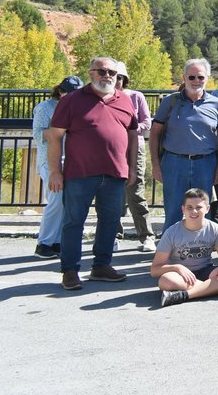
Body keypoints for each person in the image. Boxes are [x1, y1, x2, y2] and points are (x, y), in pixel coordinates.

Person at [46, 56, 138, 290]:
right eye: (101, 71)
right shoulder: (72, 100)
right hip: (79, 173)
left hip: (115, 174)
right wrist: (55, 171)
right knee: (73, 222)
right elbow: (55, 136)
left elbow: (132, 136)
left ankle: (101, 266)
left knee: (110, 221)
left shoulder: (125, 101)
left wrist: (132, 168)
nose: (106, 75)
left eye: (112, 73)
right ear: (90, 73)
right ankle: (70, 270)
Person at [150, 59, 218, 232]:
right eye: (191, 77)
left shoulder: (216, 104)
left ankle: (200, 250)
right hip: (174, 163)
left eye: (200, 77)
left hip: (205, 164)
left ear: (207, 78)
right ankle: (169, 250)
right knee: (173, 210)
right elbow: (154, 133)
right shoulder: (169, 102)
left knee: (202, 211)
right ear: (184, 78)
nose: (196, 81)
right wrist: (155, 164)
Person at [149, 188, 218, 308]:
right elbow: (155, 270)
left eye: (198, 207)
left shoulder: (214, 228)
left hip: (206, 272)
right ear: (183, 209)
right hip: (181, 276)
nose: (194, 211)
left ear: (207, 208)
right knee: (165, 281)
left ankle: (185, 295)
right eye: (189, 207)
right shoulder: (171, 232)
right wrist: (177, 267)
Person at [32, 75, 83, 259]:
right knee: (55, 199)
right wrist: (60, 131)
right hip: (49, 160)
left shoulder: (77, 108)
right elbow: (37, 134)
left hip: (71, 160)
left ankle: (58, 241)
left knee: (66, 202)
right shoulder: (45, 108)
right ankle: (44, 242)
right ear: (60, 91)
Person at [115, 62, 156, 252]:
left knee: (135, 191)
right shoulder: (103, 99)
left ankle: (146, 236)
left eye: (120, 78)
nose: (117, 81)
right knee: (110, 192)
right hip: (111, 149)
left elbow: (147, 122)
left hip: (134, 148)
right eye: (115, 77)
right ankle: (112, 235)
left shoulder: (135, 96)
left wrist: (130, 128)